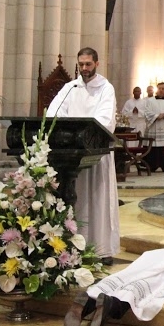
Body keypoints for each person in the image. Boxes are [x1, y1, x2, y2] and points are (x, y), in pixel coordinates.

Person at [46, 47, 120, 262]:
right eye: (81, 64)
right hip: (70, 155)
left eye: (88, 64)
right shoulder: (71, 87)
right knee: (74, 198)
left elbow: (105, 118)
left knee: (97, 200)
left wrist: (84, 133)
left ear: (97, 63)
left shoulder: (106, 88)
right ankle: (72, 245)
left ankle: (101, 248)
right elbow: (53, 112)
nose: (84, 68)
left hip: (95, 153)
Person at [144, 81, 164, 171]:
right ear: (157, 89)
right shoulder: (149, 101)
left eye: (163, 89)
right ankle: (152, 165)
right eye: (159, 88)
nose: (161, 90)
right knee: (153, 147)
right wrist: (156, 116)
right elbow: (146, 112)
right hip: (153, 127)